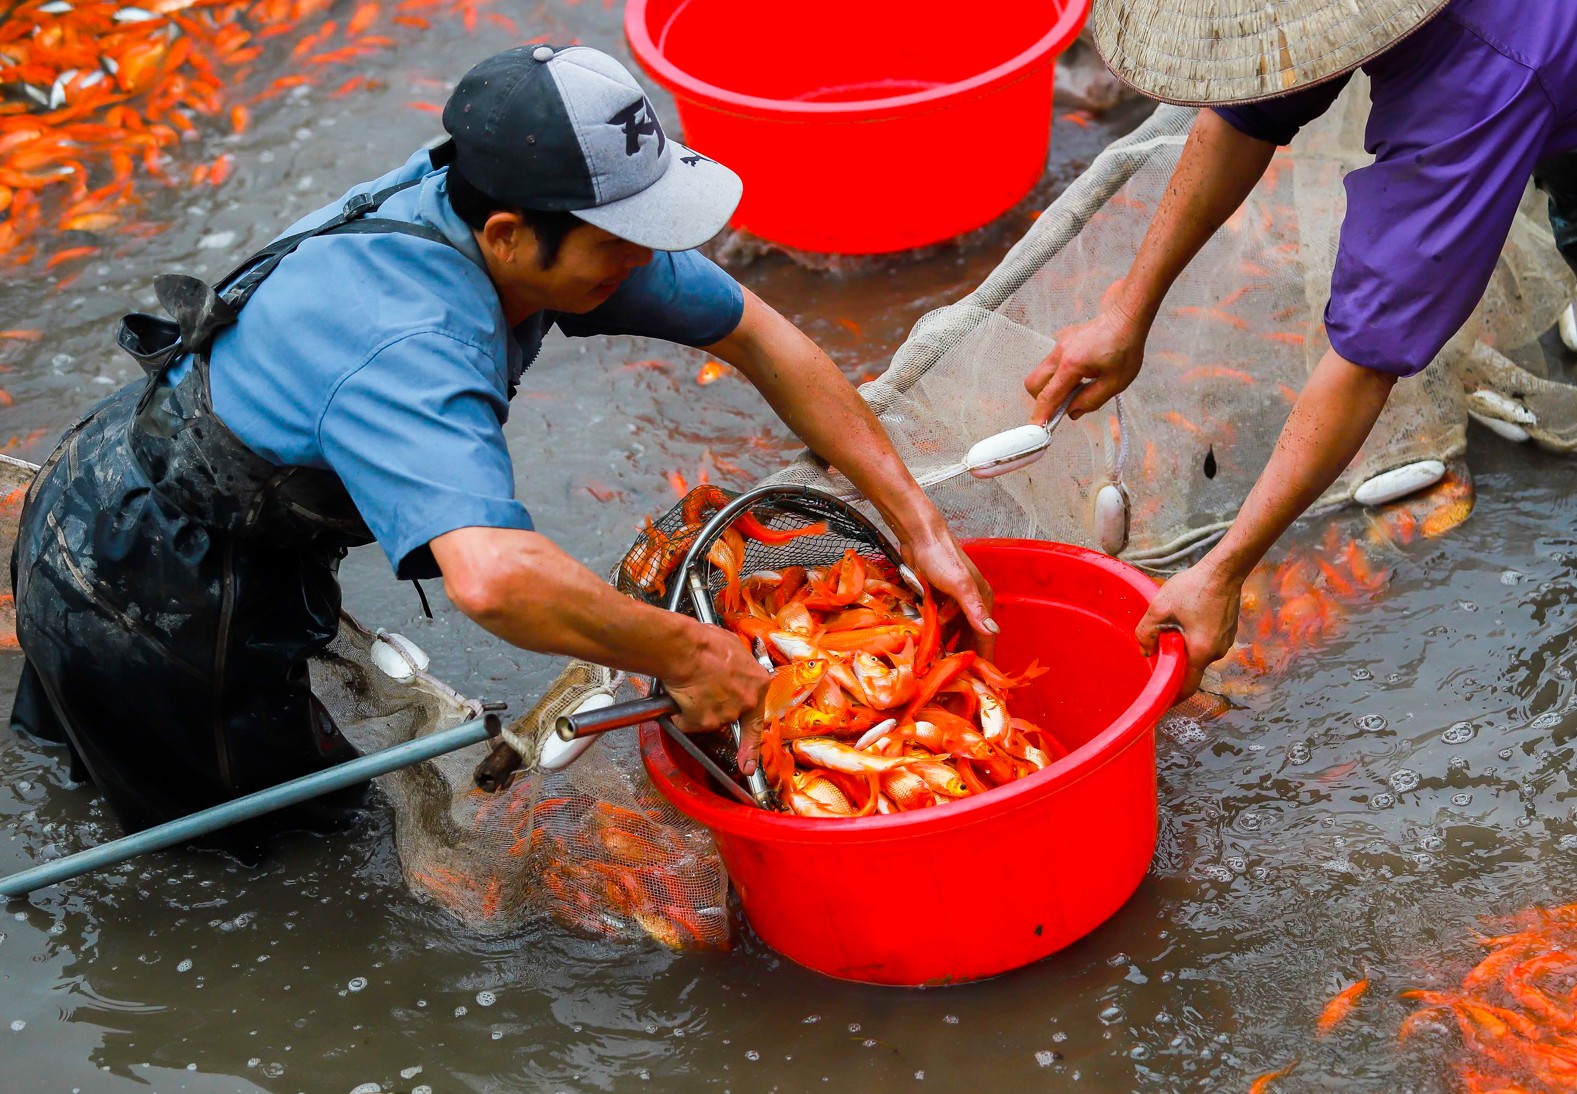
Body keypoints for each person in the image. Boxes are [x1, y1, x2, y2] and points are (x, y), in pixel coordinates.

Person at [10, 44, 994, 832]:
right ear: (510, 238)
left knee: (127, 768)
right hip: (149, 574)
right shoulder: (416, 338)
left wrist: (916, 524)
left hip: (171, 476)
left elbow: (764, 337)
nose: (645, 257)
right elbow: (493, 578)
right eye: (622, 237)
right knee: (264, 850)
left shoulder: (537, 224)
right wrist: (694, 654)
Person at [1029, 0, 1577, 694]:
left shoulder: (1476, 80)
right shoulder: (1341, 16)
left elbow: (1367, 358)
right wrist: (1127, 309)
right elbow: (1253, 109)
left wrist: (1225, 568)